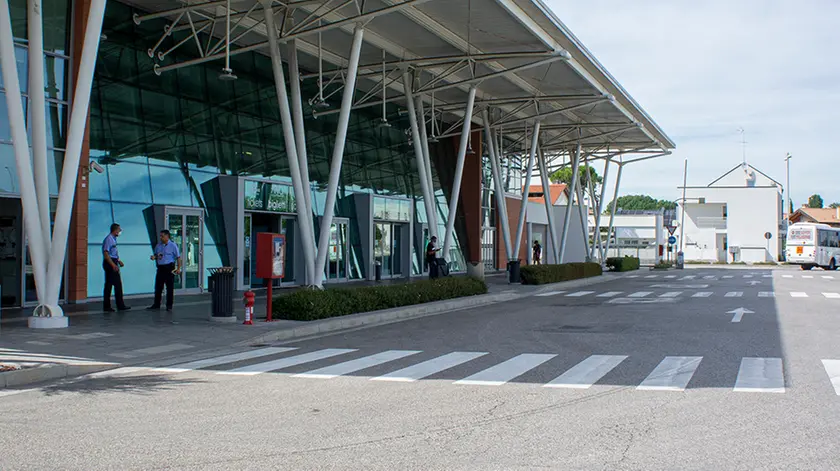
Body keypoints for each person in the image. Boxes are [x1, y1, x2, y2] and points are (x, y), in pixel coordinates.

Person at [147, 230, 181, 311]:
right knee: (158, 287)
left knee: (169, 288)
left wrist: (178, 268)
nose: (161, 238)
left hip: (169, 268)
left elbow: (178, 257)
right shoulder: (158, 246)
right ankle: (156, 304)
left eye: (162, 236)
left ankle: (169, 305)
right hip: (160, 268)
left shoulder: (173, 245)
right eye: (160, 236)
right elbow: (156, 255)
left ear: (167, 236)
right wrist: (154, 257)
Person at [102, 223, 130, 312]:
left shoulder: (113, 239)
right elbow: (106, 254)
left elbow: (113, 253)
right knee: (114, 284)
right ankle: (116, 305)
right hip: (109, 263)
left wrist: (118, 261)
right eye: (119, 230)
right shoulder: (109, 239)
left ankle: (114, 305)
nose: (120, 231)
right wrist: (113, 265)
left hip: (113, 261)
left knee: (112, 284)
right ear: (115, 230)